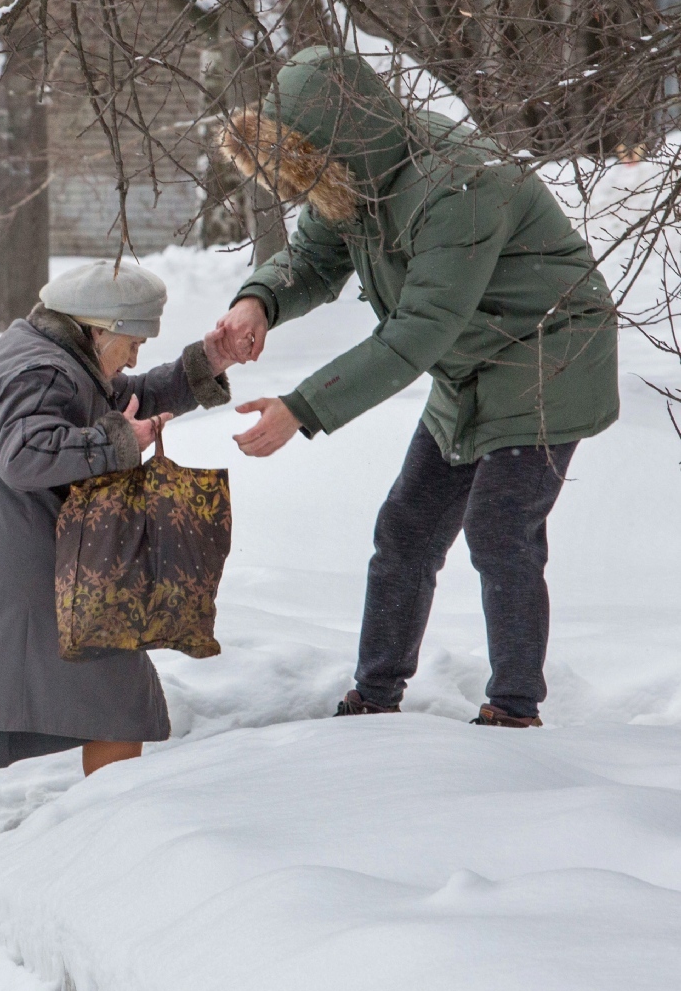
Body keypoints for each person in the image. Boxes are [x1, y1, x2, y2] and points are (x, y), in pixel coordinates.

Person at [210, 47, 619, 729]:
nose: (294, 185)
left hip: (549, 354)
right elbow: (314, 256)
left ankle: (515, 709)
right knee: (407, 526)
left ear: (335, 144)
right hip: (471, 359)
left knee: (500, 530)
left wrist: (303, 409)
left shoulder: (456, 187)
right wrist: (259, 302)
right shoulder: (360, 176)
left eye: (300, 166)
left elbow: (417, 333)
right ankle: (373, 696)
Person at [0, 261, 239, 902]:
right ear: (101, 329)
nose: (135, 353)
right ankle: (108, 860)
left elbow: (118, 399)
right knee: (113, 701)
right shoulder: (44, 369)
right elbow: (26, 456)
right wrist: (118, 445)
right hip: (12, 570)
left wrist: (203, 365)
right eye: (133, 339)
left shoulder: (50, 351)